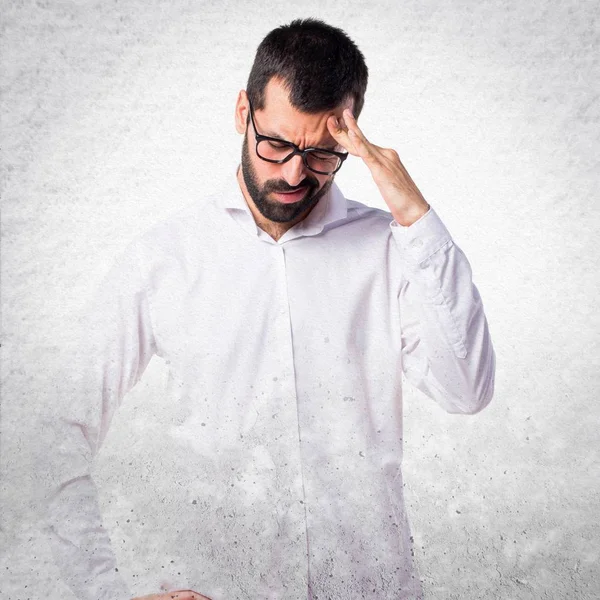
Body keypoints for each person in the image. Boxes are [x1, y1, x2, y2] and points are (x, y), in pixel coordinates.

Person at [42, 18, 495, 600]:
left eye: (323, 155)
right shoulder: (165, 258)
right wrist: (104, 592)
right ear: (242, 112)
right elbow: (55, 431)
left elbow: (468, 390)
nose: (293, 173)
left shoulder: (392, 248)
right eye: (276, 144)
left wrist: (414, 214)